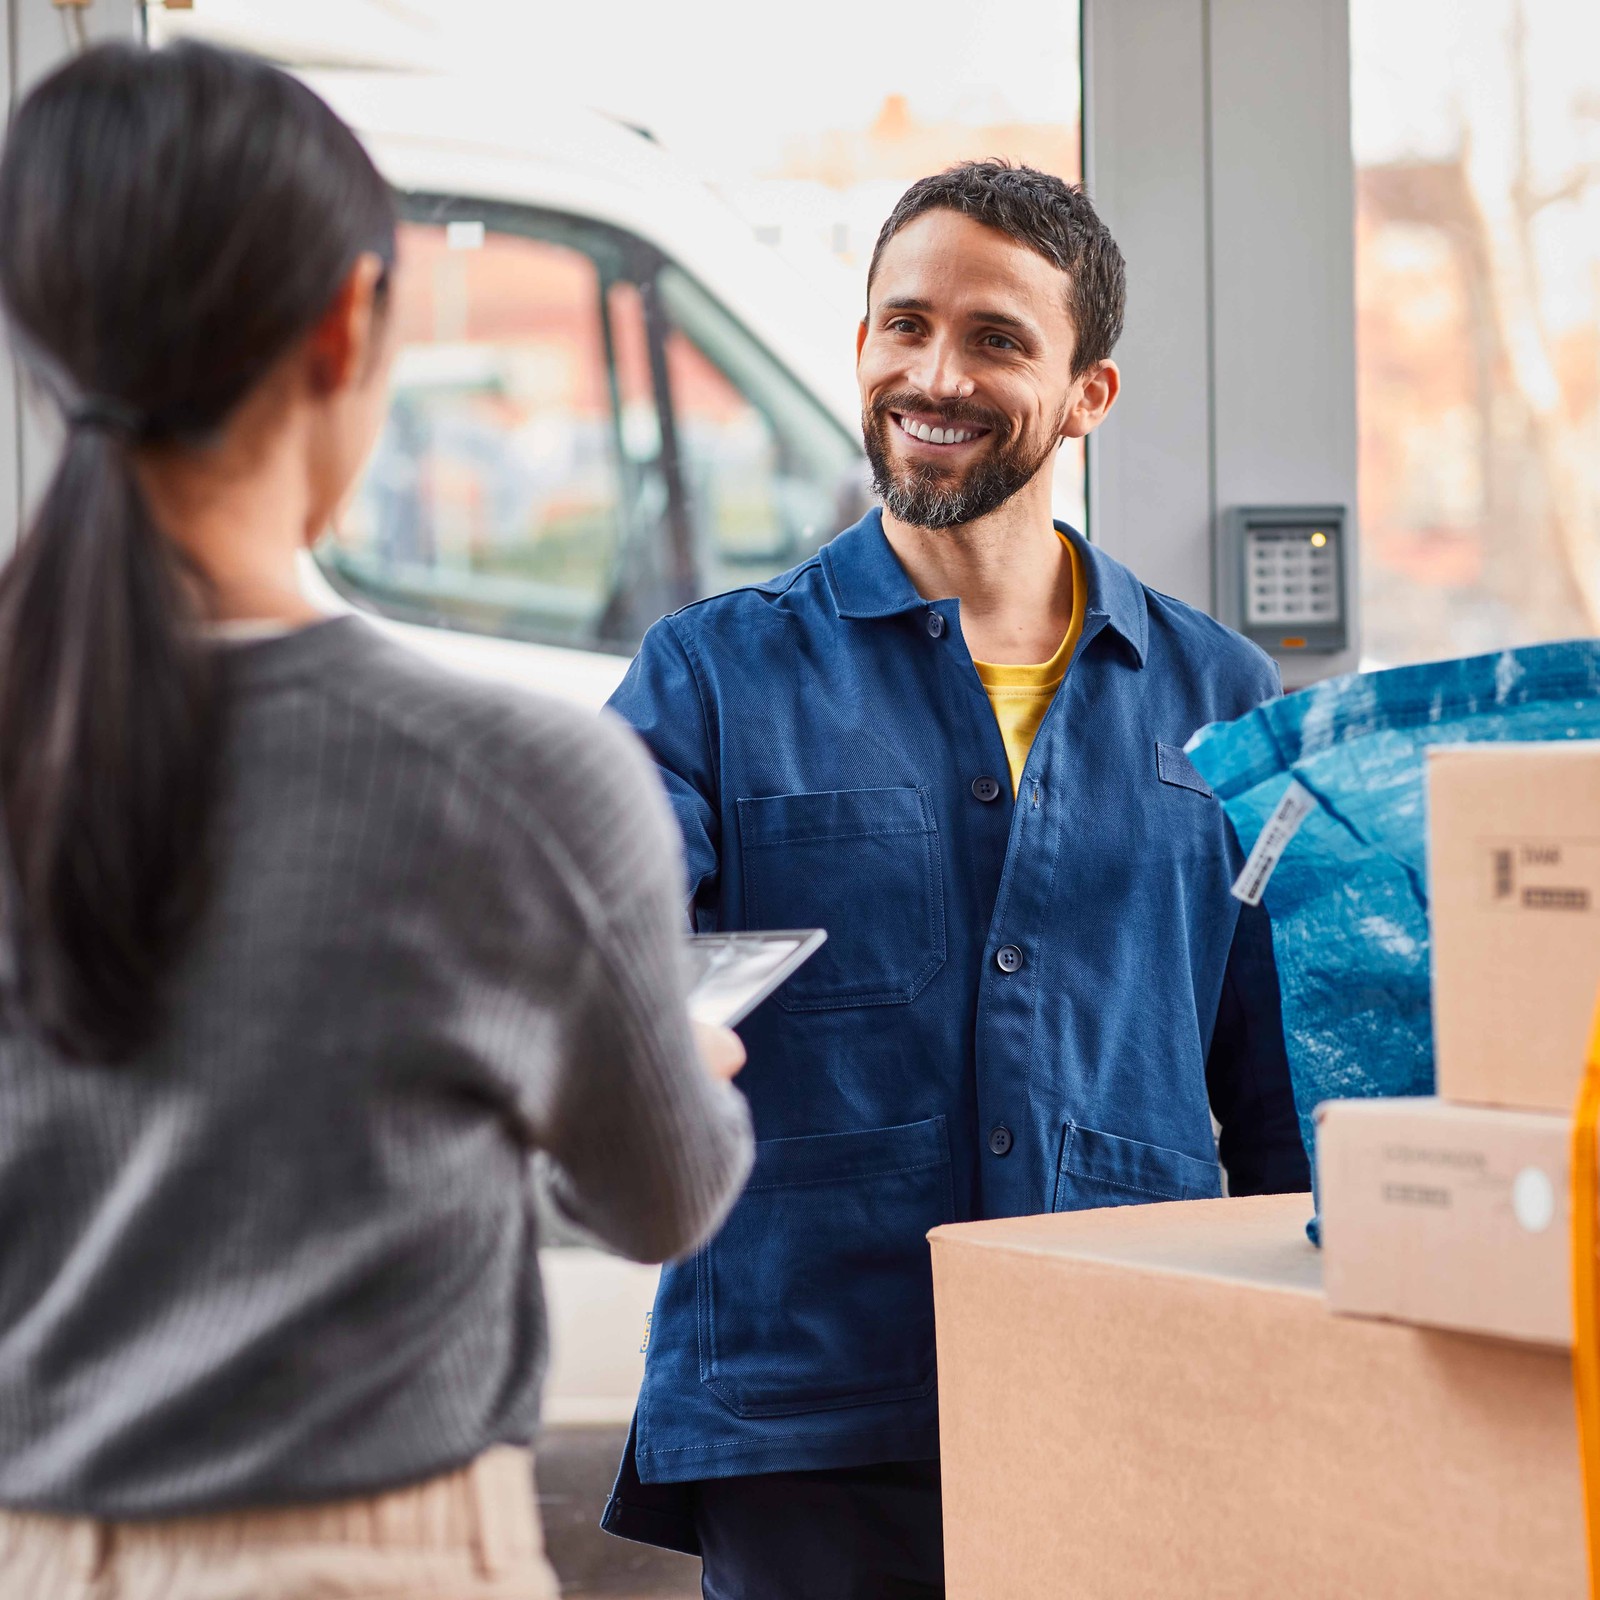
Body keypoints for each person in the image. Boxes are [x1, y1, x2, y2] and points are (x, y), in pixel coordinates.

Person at [0, 40, 752, 1600]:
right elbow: (663, 1197)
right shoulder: (523, 780)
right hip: (373, 1560)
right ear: (349, 328)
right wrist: (680, 1066)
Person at [600, 161, 1310, 1597]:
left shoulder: (1223, 698)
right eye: (902, 324)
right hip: (811, 1411)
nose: (935, 373)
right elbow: (593, 955)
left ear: (1086, 394)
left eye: (996, 339)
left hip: (1131, 1383)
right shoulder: (710, 677)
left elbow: (1278, 1082)